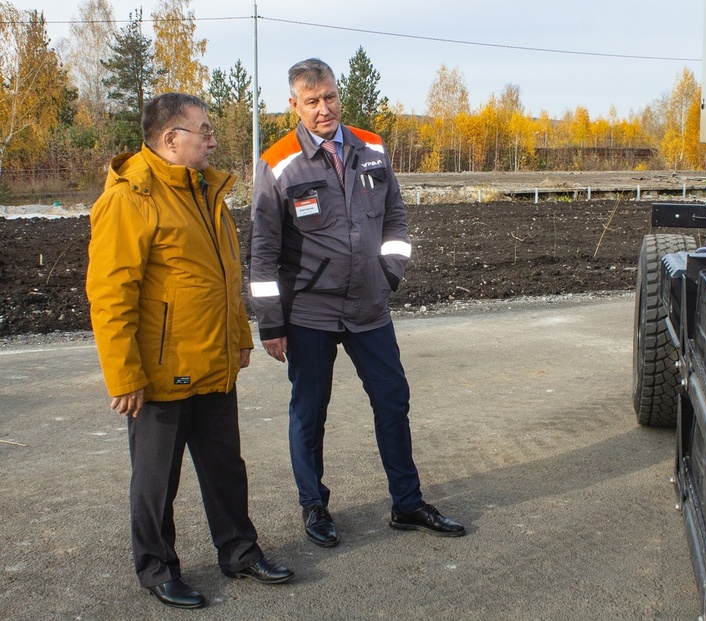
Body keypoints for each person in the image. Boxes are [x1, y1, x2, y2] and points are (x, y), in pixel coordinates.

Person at [86, 93, 293, 610]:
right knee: (157, 481)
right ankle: (157, 568)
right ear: (170, 139)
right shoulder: (130, 198)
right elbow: (111, 295)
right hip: (160, 373)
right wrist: (124, 376)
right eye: (204, 131)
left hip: (213, 362)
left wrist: (238, 337)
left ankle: (239, 551)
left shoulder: (204, 190)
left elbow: (223, 277)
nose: (213, 140)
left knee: (226, 469)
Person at [249, 58, 465, 547]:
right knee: (310, 412)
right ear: (294, 105)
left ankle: (407, 503)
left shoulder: (372, 147)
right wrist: (271, 324)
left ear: (338, 94)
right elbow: (262, 249)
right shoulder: (277, 162)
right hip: (310, 312)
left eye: (329, 97)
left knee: (393, 400)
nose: (323, 109)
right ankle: (314, 506)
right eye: (312, 101)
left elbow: (395, 217)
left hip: (370, 307)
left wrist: (388, 274)